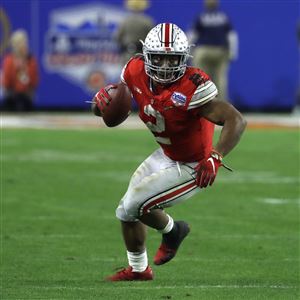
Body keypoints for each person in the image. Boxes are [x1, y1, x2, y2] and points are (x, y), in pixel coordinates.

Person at [92, 23, 246, 281]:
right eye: (159, 58)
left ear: (183, 59)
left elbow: (236, 120)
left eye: (172, 59)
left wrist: (215, 157)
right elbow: (112, 107)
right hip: (166, 153)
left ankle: (172, 231)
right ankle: (140, 269)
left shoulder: (193, 85)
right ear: (147, 56)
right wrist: (100, 105)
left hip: (194, 165)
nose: (164, 65)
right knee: (125, 210)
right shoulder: (133, 70)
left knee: (133, 205)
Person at [190, 0, 238, 101]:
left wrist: (189, 51)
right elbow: (231, 35)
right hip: (220, 50)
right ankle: (221, 105)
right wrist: (233, 52)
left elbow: (193, 35)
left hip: (203, 51)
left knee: (200, 78)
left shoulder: (201, 16)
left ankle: (200, 103)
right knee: (220, 79)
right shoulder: (223, 17)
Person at [1, 29, 39, 112]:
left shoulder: (30, 60)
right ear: (14, 45)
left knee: (24, 103)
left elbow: (34, 81)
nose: (23, 45)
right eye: (20, 43)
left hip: (26, 97)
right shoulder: (9, 60)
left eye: (24, 42)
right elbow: (6, 82)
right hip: (12, 96)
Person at [115, 0, 154, 65]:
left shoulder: (125, 21)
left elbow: (118, 38)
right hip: (143, 56)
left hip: (127, 55)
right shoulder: (148, 21)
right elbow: (152, 39)